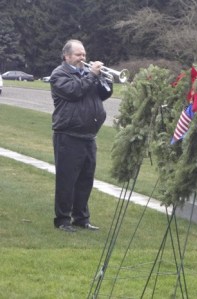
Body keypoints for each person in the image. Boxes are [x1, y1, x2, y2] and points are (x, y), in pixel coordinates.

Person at [50, 39, 113, 232]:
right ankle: (62, 220)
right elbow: (75, 91)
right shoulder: (59, 74)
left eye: (84, 54)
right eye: (78, 55)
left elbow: (104, 95)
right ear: (67, 56)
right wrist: (91, 75)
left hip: (88, 135)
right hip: (68, 134)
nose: (83, 58)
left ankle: (81, 219)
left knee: (86, 179)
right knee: (67, 180)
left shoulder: (88, 74)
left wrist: (104, 79)